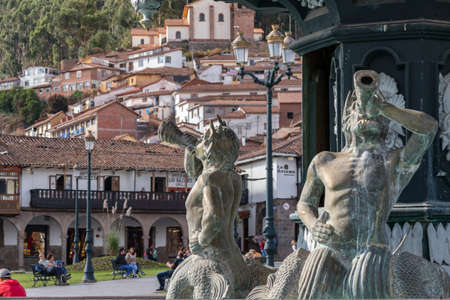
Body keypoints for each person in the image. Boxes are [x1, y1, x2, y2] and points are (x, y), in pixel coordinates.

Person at [296, 70, 438, 298]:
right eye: (358, 111)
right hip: (330, 250)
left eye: (375, 114)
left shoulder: (394, 161)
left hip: (371, 251)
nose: (366, 115)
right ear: (347, 121)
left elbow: (428, 129)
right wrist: (313, 225)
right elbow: (304, 204)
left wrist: (384, 108)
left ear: (385, 123)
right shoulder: (324, 160)